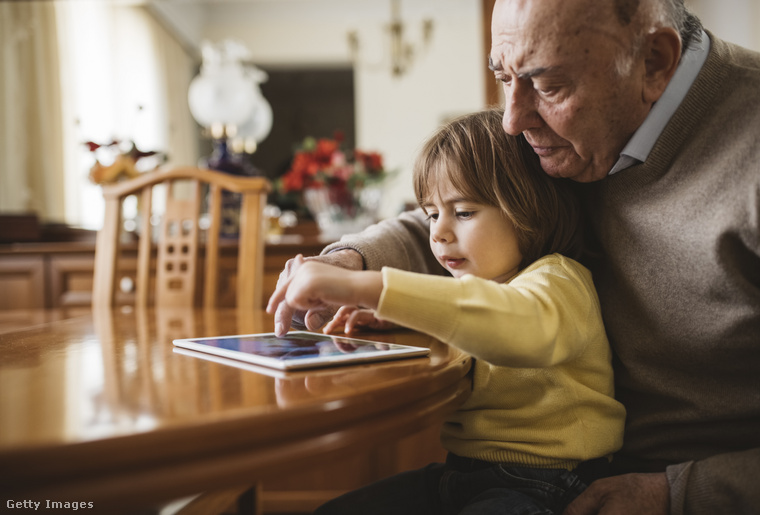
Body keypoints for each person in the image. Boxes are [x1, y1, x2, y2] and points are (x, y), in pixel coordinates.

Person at [269, 0, 760, 513]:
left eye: (548, 86)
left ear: (654, 62)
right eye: (504, 77)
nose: (511, 121)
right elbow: (463, 214)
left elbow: (524, 313)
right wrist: (348, 262)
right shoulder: (574, 131)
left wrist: (680, 493)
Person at [268, 108, 626, 514]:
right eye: (432, 214)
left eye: (464, 212)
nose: (438, 232)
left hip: (551, 483)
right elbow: (466, 311)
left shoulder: (560, 280)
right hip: (461, 474)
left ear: (529, 206)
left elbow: (514, 326)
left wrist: (362, 286)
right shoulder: (476, 287)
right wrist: (397, 311)